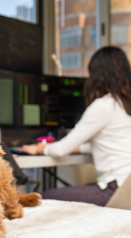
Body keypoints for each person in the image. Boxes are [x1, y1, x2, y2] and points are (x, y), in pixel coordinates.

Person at [20, 46, 131, 206]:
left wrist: (39, 148)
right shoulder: (125, 106)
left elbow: (60, 150)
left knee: (42, 197)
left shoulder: (103, 105)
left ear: (99, 75)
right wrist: (76, 147)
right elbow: (112, 145)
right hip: (127, 185)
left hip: (117, 188)